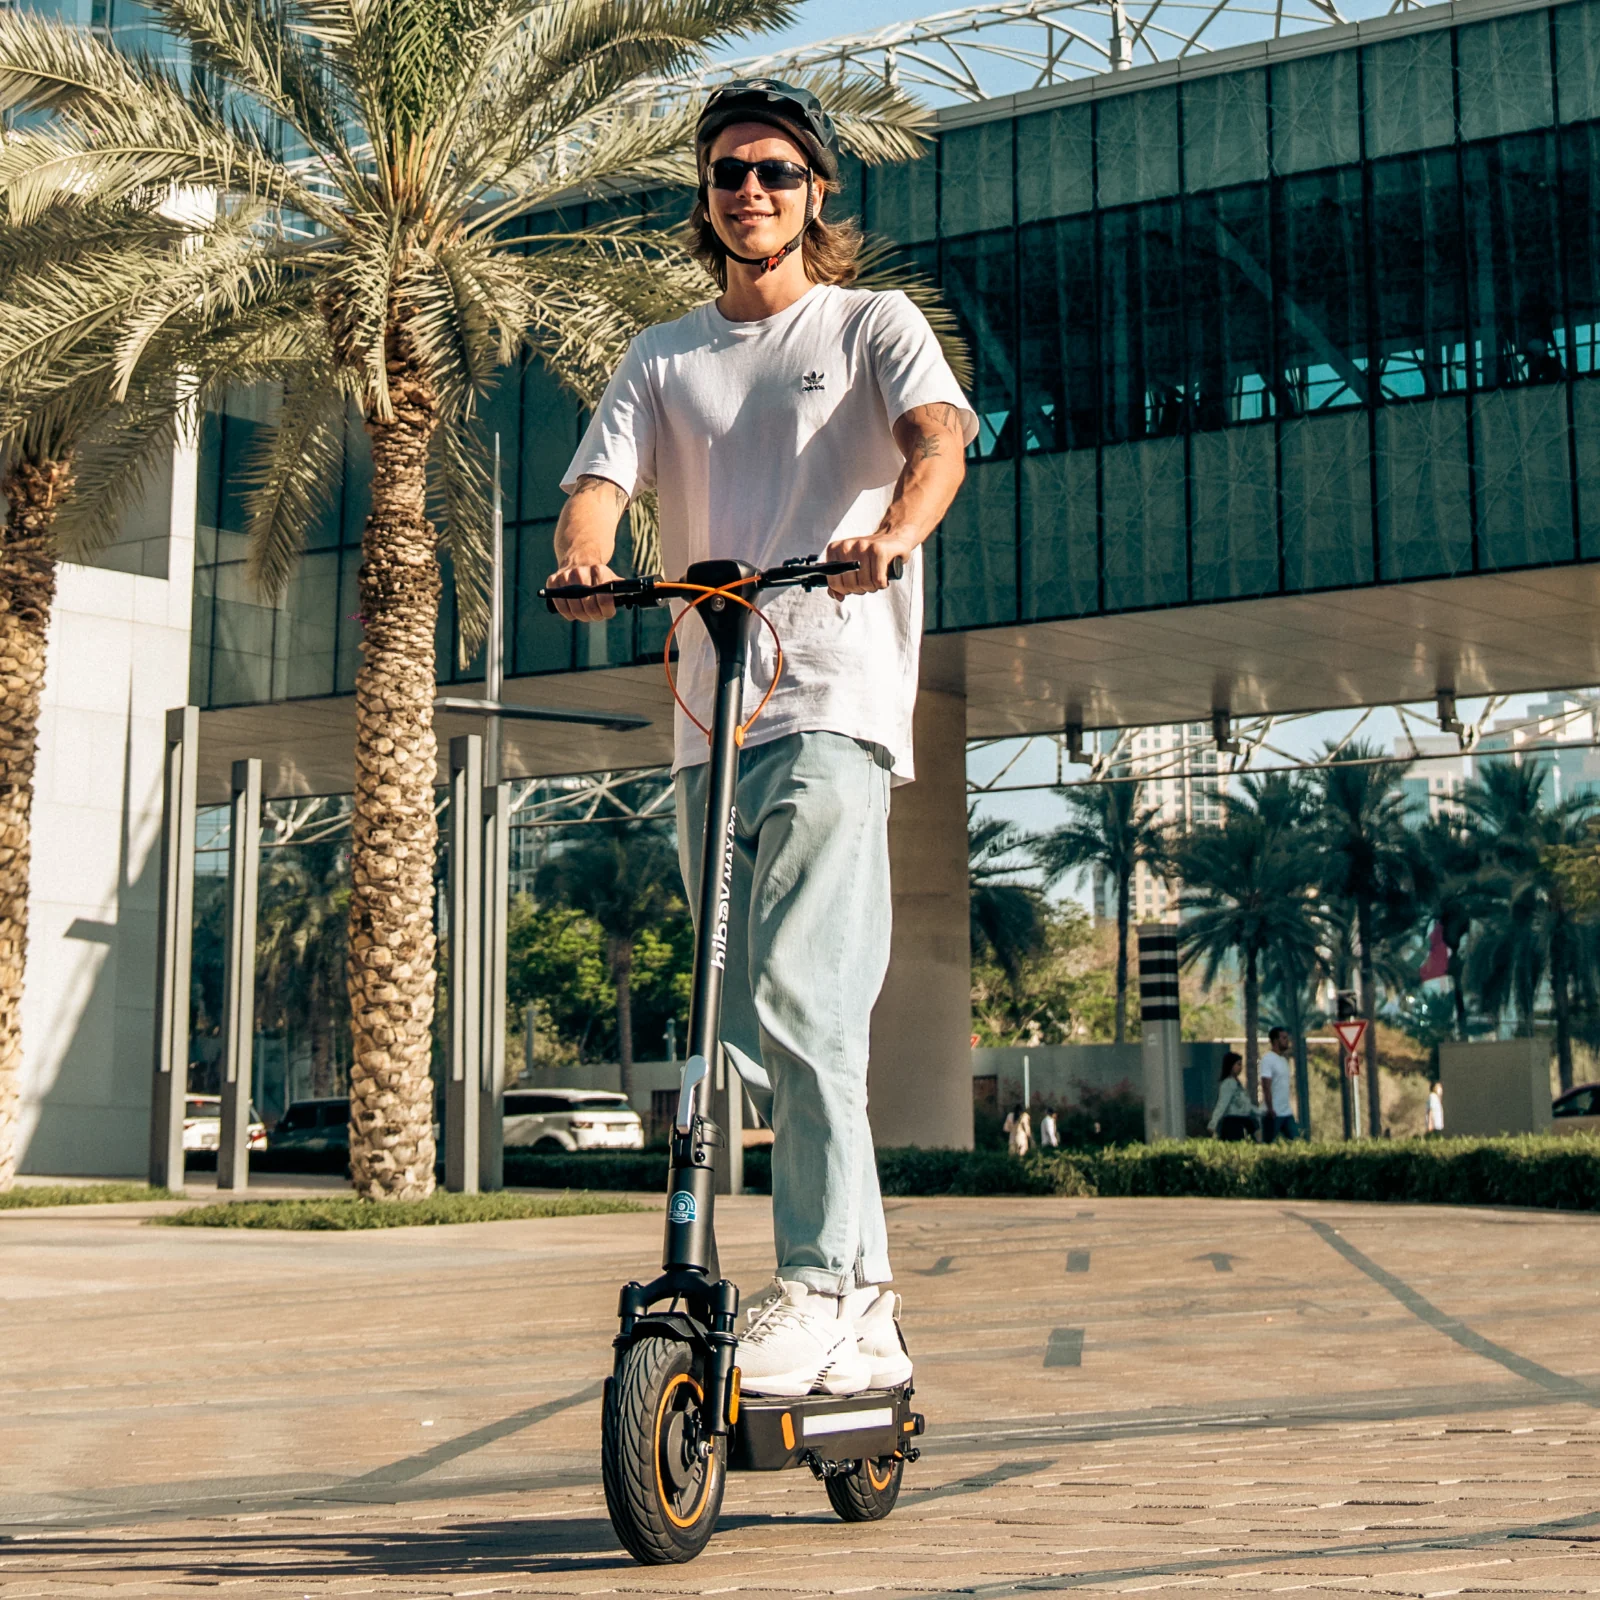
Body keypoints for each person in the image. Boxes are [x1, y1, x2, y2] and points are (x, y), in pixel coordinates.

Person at [547, 78, 973, 1399]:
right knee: (735, 1007)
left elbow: (941, 439)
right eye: (730, 170)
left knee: (801, 993)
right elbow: (597, 491)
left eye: (777, 171)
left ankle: (831, 1285)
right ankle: (869, 1311)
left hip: (831, 695)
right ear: (705, 194)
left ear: (817, 193)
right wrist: (585, 564)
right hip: (707, 718)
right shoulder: (661, 355)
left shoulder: (870, 323)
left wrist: (892, 535)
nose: (751, 190)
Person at [1259, 1027, 1298, 1143]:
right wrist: (1270, 1108)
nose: (1287, 1041)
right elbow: (1266, 1085)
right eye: (1284, 1038)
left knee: (1296, 1142)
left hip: (1286, 1112)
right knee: (1268, 1144)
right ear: (1275, 1041)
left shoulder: (1283, 1061)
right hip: (1273, 1113)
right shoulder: (1267, 1059)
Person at [1208, 1052, 1257, 1142]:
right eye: (1238, 1064)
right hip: (1232, 1123)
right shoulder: (1228, 1083)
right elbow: (1222, 1105)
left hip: (1243, 1122)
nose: (1240, 1068)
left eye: (1241, 1065)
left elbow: (1246, 1104)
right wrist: (1213, 1124)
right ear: (1231, 1065)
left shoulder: (1238, 1084)